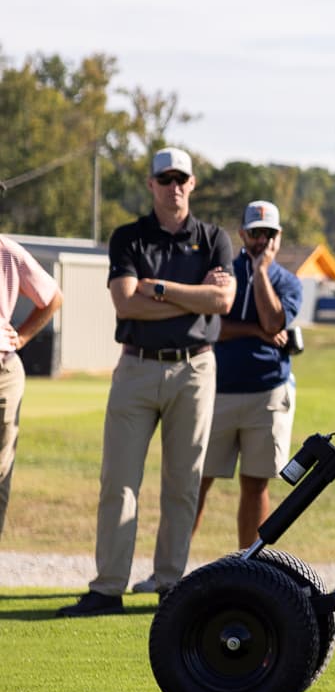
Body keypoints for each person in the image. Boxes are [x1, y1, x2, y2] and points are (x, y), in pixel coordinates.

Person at [58, 148, 234, 616]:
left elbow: (222, 303)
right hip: (137, 366)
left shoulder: (215, 239)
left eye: (181, 179)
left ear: (192, 184)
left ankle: (171, 585)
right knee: (119, 481)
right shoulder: (129, 237)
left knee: (183, 484)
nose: (173, 186)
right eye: (165, 179)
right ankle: (108, 588)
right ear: (151, 185)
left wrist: (157, 287)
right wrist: (193, 298)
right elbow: (125, 304)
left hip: (195, 368)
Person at [192, 200, 302, 549]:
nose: (262, 242)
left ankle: (248, 568)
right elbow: (212, 326)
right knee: (198, 480)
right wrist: (255, 332)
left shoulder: (287, 281)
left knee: (256, 484)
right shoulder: (223, 273)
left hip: (267, 391)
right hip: (218, 390)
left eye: (269, 234)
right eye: (256, 234)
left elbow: (274, 320)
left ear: (279, 237)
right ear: (242, 234)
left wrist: (263, 273)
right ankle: (170, 571)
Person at [1, 235, 64, 541]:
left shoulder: (8, 251)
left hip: (3, 371)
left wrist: (22, 337)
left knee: (0, 471)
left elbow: (52, 297)